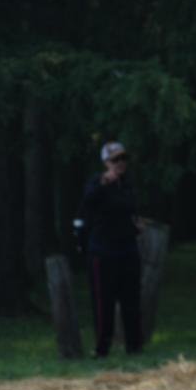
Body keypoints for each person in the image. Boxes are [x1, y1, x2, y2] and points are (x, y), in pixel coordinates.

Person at [79, 141, 144, 357]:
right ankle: (102, 348)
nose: (120, 164)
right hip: (103, 252)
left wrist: (136, 225)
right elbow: (86, 204)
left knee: (131, 300)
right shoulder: (97, 184)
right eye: (115, 160)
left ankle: (134, 346)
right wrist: (103, 184)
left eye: (123, 159)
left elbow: (130, 212)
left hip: (127, 249)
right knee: (103, 302)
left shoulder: (127, 186)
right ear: (106, 162)